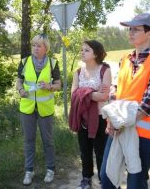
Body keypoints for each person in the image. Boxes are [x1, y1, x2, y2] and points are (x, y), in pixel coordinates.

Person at [100, 13, 150, 189]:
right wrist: (111, 119)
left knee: (136, 183)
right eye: (130, 29)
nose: (130, 32)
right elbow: (114, 91)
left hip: (144, 135)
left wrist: (120, 122)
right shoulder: (125, 59)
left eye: (136, 29)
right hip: (118, 128)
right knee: (106, 177)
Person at [16, 34, 61, 185]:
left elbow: (58, 85)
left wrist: (49, 86)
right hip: (27, 108)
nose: (35, 48)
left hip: (45, 109)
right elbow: (19, 81)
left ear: (46, 48)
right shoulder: (24, 61)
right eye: (34, 45)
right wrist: (20, 90)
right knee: (28, 140)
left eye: (39, 45)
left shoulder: (53, 63)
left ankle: (50, 169)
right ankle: (29, 171)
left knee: (47, 140)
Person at [69, 40, 111, 189]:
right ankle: (86, 179)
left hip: (100, 117)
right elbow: (73, 95)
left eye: (86, 50)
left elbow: (104, 97)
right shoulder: (78, 72)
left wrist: (84, 93)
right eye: (82, 50)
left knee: (101, 152)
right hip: (82, 117)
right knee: (85, 151)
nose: (82, 52)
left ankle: (103, 180)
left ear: (96, 53)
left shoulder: (104, 70)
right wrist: (94, 93)